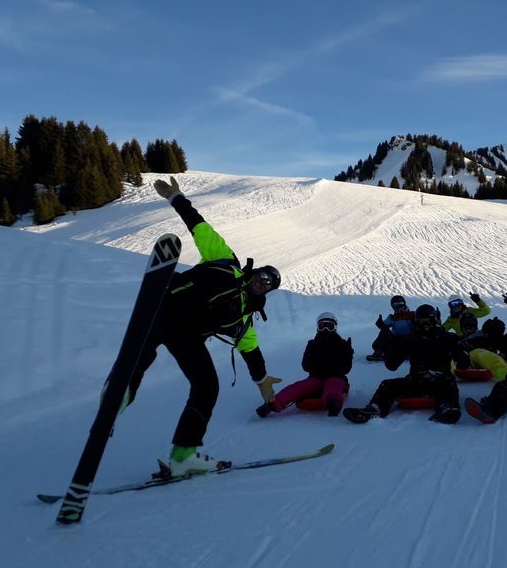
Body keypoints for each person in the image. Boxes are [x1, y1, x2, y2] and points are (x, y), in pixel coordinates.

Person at [125, 177, 282, 477]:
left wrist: (261, 379)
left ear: (267, 293)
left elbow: (251, 351)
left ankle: (183, 455)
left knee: (207, 386)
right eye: (263, 275)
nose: (263, 282)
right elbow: (199, 227)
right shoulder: (225, 261)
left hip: (185, 335)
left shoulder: (245, 319)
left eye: (269, 284)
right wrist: (177, 198)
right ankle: (119, 398)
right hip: (164, 308)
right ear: (255, 271)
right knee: (140, 360)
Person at [343, 304, 470, 424]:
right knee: (387, 385)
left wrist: (459, 351)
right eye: (422, 321)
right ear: (417, 322)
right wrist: (390, 348)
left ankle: (448, 409)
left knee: (449, 385)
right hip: (417, 380)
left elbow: (463, 363)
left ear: (434, 320)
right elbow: (392, 365)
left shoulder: (447, 337)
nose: (425, 325)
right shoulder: (411, 339)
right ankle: (374, 409)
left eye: (428, 320)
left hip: (441, 379)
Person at [256, 312, 354, 418]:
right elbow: (305, 366)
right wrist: (314, 354)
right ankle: (271, 405)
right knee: (299, 387)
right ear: (318, 328)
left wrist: (348, 352)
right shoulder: (313, 344)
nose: (325, 329)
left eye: (329, 326)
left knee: (333, 385)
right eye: (322, 326)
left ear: (335, 328)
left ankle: (333, 404)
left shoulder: (342, 344)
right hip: (317, 378)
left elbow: (346, 369)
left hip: (337, 377)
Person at [456, 315, 507, 381]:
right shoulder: (459, 339)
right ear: (461, 328)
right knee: (479, 352)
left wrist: (493, 331)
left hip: (490, 358)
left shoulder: (481, 335)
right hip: (470, 359)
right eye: (466, 326)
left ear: (476, 327)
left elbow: (493, 338)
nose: (469, 328)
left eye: (472, 326)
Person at [366, 295, 414, 362]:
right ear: (393, 307)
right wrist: (381, 324)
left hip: (410, 340)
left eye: (400, 304)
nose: (398, 307)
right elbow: (385, 327)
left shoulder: (412, 315)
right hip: (397, 341)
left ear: (404, 304)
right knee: (385, 331)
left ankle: (419, 352)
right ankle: (378, 353)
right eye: (395, 305)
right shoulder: (392, 317)